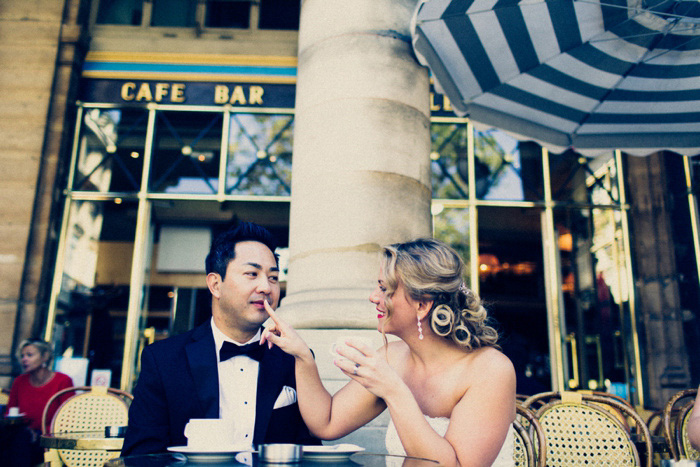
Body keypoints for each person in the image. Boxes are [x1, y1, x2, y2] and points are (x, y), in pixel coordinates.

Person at [262, 238, 517, 466]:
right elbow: (326, 423)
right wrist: (302, 355)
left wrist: (393, 389)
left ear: (422, 305)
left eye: (385, 289)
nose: (373, 297)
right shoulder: (392, 357)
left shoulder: (490, 370)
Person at [121, 222, 319, 456]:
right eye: (252, 274)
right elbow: (142, 455)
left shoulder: (294, 358)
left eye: (273, 277)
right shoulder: (163, 360)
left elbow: (310, 451)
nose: (266, 287)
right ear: (215, 284)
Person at [3, 338, 74, 467]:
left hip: (49, 441)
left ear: (45, 356)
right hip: (21, 436)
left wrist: (40, 434)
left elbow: (68, 419)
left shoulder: (63, 381)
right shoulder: (19, 381)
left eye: (29, 355)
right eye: (22, 356)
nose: (24, 359)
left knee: (17, 444)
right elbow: (10, 414)